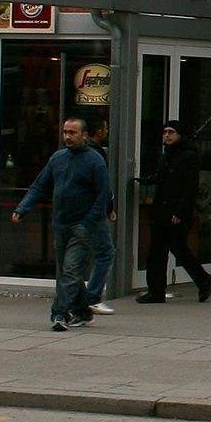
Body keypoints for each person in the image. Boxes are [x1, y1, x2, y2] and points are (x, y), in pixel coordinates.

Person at [11, 118, 112, 331]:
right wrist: (22, 208)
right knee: (66, 274)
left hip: (82, 225)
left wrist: (89, 221)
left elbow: (104, 194)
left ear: (84, 135)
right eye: (65, 132)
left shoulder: (94, 161)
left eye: (73, 132)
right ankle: (83, 310)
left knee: (71, 270)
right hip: (61, 223)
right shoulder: (58, 158)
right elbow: (40, 185)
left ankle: (59, 313)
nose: (67, 136)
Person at [139, 119, 211, 304]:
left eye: (171, 132)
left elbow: (189, 188)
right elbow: (163, 179)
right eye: (165, 132)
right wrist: (148, 180)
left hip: (176, 212)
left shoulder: (188, 156)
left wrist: (180, 213)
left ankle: (202, 279)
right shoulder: (166, 155)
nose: (167, 136)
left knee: (179, 249)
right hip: (161, 210)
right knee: (156, 252)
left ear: (179, 135)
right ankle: (156, 291)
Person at [82, 120, 118, 316]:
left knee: (77, 253)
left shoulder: (73, 155)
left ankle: (75, 297)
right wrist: (108, 207)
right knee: (105, 251)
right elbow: (103, 185)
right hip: (94, 211)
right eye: (105, 127)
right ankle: (92, 297)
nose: (107, 130)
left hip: (79, 210)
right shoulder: (96, 154)